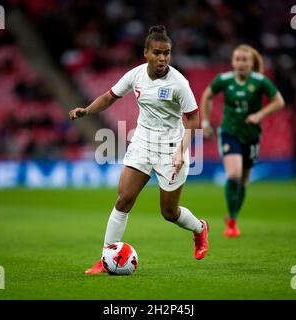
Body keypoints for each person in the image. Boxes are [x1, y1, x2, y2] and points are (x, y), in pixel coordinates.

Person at [69, 25, 209, 274]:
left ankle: (199, 228)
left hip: (171, 149)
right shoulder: (135, 75)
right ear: (146, 53)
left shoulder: (179, 83)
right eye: (157, 52)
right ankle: (105, 259)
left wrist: (181, 150)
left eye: (167, 53)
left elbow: (194, 118)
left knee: (169, 212)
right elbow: (110, 96)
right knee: (123, 200)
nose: (163, 58)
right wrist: (87, 110)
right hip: (143, 143)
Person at [200, 44, 285, 238]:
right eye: (237, 59)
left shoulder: (260, 81)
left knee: (244, 181)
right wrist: (205, 122)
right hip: (230, 132)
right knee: (234, 174)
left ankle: (233, 216)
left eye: (244, 60)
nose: (240, 63)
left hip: (252, 135)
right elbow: (207, 96)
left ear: (251, 62)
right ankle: (231, 222)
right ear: (232, 62)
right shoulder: (223, 80)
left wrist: (259, 115)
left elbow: (279, 101)